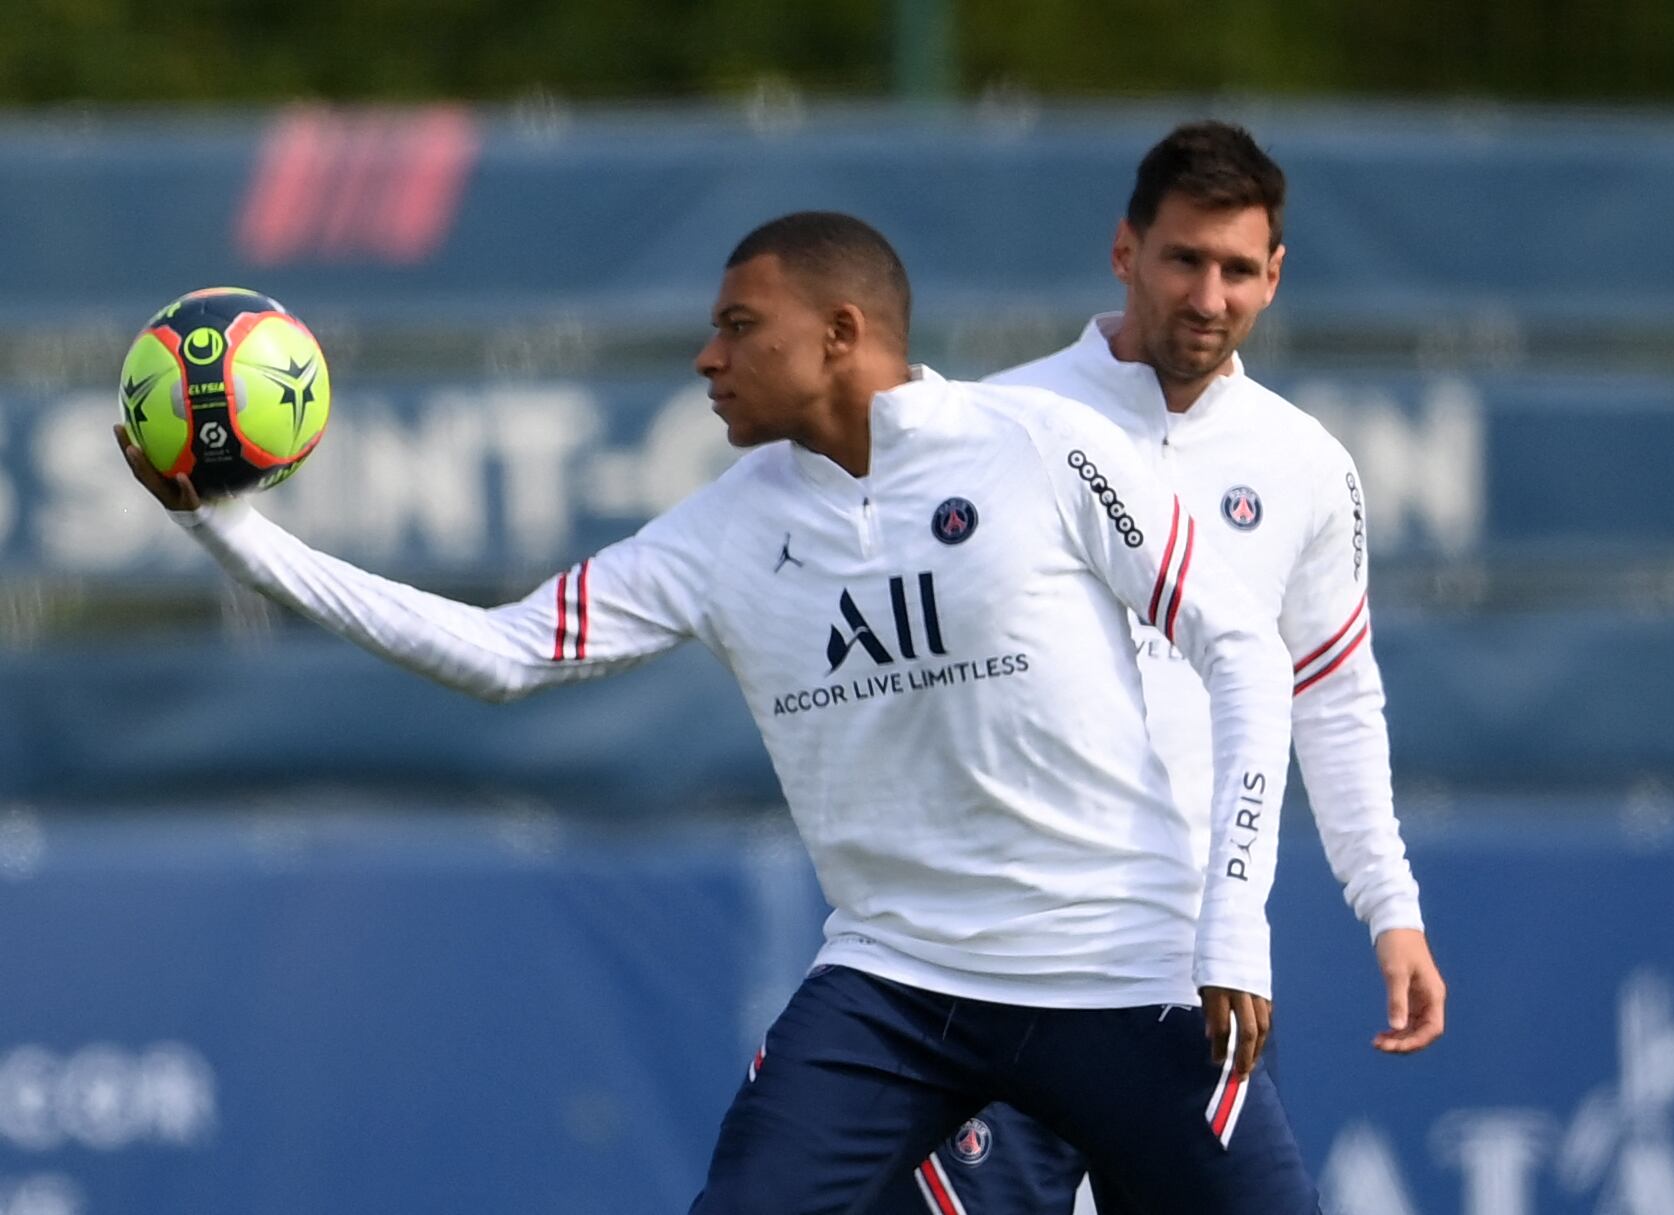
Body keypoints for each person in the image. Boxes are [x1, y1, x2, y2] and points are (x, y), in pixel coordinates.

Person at [118, 210, 1316, 1214]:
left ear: (843, 335)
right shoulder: (726, 526)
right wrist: (226, 531)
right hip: (896, 986)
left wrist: (1233, 926)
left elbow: (1243, 652)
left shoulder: (1045, 446)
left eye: (740, 327)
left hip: (1120, 968)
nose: (708, 357)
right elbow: (498, 653)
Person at [895, 120, 1449, 1215]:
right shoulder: (994, 424)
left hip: (1196, 969)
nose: (1209, 295)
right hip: (1007, 954)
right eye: (1184, 259)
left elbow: (1333, 701)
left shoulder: (1303, 466)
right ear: (1124, 250)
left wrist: (1389, 904)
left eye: (1239, 269)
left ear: (1275, 277)